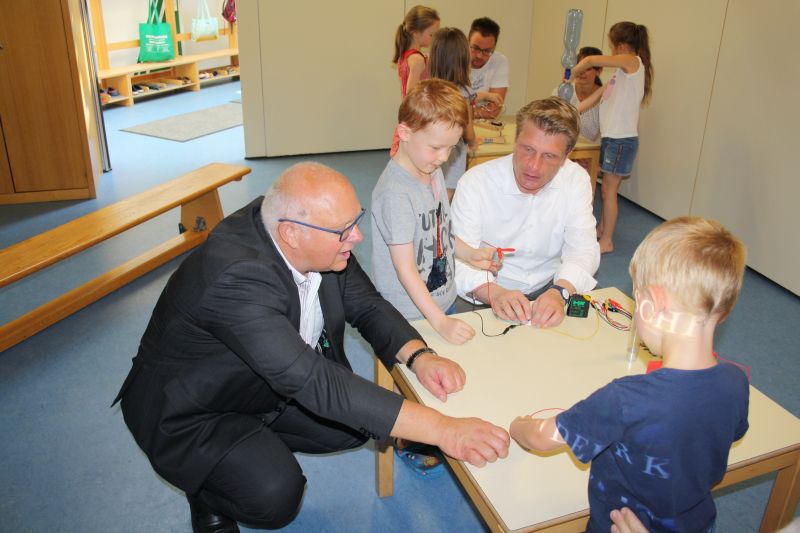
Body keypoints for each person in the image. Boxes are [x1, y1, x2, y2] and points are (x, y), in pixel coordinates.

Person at [114, 162, 510, 532]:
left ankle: (248, 449)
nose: (356, 237)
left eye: (354, 221)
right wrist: (444, 430)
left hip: (263, 384)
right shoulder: (238, 278)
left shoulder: (308, 233)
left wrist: (418, 355)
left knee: (356, 425)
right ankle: (207, 487)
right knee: (275, 498)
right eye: (345, 230)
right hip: (195, 410)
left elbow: (367, 306)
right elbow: (313, 382)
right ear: (291, 233)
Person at [510, 216, 750, 532]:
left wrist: (519, 425)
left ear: (650, 306)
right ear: (725, 312)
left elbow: (543, 438)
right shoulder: (736, 382)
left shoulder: (625, 399)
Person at [451, 96, 600, 328]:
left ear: (567, 154)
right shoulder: (476, 183)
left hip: (549, 290)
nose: (533, 166)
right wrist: (494, 293)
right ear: (515, 139)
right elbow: (458, 257)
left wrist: (560, 291)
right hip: (483, 294)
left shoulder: (576, 179)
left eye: (549, 156)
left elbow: (583, 249)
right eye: (527, 149)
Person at [569, 22, 654, 254]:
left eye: (612, 46)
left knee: (608, 191)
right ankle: (603, 229)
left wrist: (576, 69)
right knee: (607, 190)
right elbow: (594, 99)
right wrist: (569, 110)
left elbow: (591, 61)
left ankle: (607, 240)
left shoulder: (633, 62)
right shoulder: (619, 75)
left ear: (621, 45)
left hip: (621, 140)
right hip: (612, 139)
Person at [428, 27, 499, 201]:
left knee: (433, 190)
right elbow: (468, 131)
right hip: (453, 154)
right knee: (448, 195)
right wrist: (474, 142)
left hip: (431, 150)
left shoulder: (429, 89)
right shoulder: (463, 92)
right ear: (463, 59)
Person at [390, 6, 441, 158]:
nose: (434, 39)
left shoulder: (406, 56)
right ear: (415, 33)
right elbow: (410, 96)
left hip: (413, 117)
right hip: (416, 117)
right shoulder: (417, 59)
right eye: (431, 34)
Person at [552, 46, 604, 143]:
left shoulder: (605, 99)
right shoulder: (561, 92)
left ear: (599, 71)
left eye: (587, 68)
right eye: (579, 66)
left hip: (592, 153)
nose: (581, 72)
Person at [468, 17, 509, 119]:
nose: (479, 56)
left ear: (494, 47)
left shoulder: (500, 61)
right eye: (476, 48)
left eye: (487, 51)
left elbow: (493, 111)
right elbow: (446, 106)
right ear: (467, 41)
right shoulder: (454, 57)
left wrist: (462, 112)